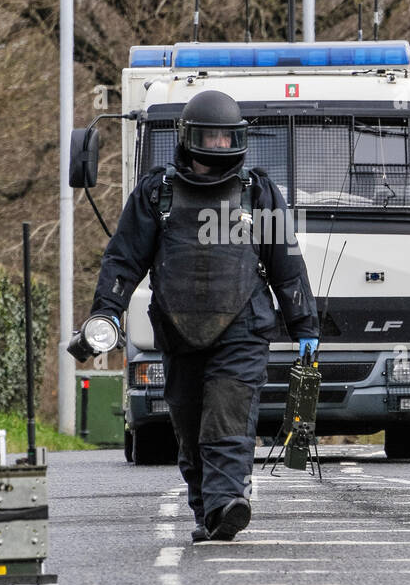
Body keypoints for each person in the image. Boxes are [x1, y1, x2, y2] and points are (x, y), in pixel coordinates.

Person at [85, 89, 319, 542]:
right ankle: (207, 510)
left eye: (224, 140)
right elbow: (123, 260)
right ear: (188, 137)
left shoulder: (258, 192)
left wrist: (304, 324)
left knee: (227, 419)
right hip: (177, 329)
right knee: (190, 428)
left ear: (238, 140)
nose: (216, 148)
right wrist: (106, 314)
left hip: (244, 327)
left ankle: (229, 501)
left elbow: (286, 260)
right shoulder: (157, 192)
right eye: (208, 139)